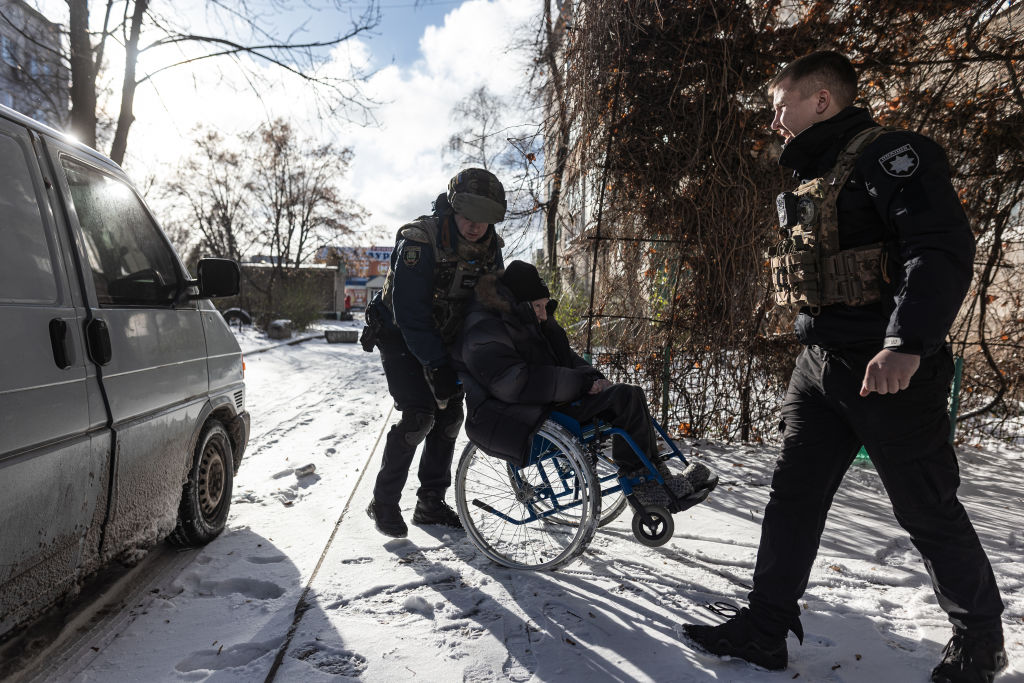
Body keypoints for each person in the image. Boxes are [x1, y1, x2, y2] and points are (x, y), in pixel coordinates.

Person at [682, 51, 1006, 683]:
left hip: (887, 370)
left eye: (781, 107)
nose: (774, 121)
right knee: (792, 498)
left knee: (926, 507)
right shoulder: (816, 171)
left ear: (821, 100)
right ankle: (765, 629)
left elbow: (938, 248)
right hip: (820, 366)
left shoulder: (893, 156)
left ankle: (980, 643)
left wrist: (906, 342)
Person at [453, 260, 714, 501]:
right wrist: (581, 384)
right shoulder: (485, 329)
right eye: (538, 307)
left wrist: (594, 379)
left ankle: (657, 478)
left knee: (628, 395)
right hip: (510, 416)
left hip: (543, 402)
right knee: (625, 397)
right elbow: (512, 382)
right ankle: (646, 487)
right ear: (518, 303)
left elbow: (566, 357)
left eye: (545, 305)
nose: (544, 314)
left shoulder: (533, 322)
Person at [360, 168, 506, 538]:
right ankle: (385, 501)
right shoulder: (419, 240)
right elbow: (409, 313)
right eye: (468, 217)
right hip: (399, 333)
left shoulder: (490, 248)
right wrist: (436, 365)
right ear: (452, 209)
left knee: (450, 415)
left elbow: (493, 302)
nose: (475, 227)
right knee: (419, 415)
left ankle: (430, 503)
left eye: (483, 220)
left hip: (447, 336)